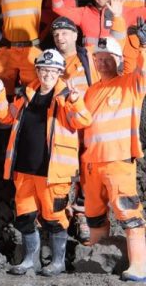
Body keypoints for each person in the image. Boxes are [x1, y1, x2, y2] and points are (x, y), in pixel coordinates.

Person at [0, 49, 90, 276]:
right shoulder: (25, 95)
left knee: (55, 219)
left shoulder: (67, 96)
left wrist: (76, 102)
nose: (48, 74)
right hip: (24, 171)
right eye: (44, 69)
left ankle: (58, 262)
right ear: (37, 70)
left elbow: (83, 121)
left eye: (52, 70)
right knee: (25, 217)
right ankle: (30, 261)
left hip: (53, 173)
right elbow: (5, 118)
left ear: (59, 72)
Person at [79, 25, 146, 282]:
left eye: (109, 59)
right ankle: (94, 260)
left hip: (118, 161)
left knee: (128, 213)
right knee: (94, 214)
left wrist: (143, 47)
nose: (103, 63)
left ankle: (139, 265)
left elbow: (143, 71)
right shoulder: (91, 91)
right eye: (99, 59)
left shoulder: (130, 85)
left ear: (118, 61)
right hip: (92, 164)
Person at [50, 16, 99, 244]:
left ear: (75, 35)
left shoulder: (88, 56)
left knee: (88, 175)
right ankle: (59, 218)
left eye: (65, 33)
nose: (61, 38)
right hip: (64, 130)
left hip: (89, 125)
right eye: (56, 35)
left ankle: (83, 217)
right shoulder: (51, 63)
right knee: (65, 174)